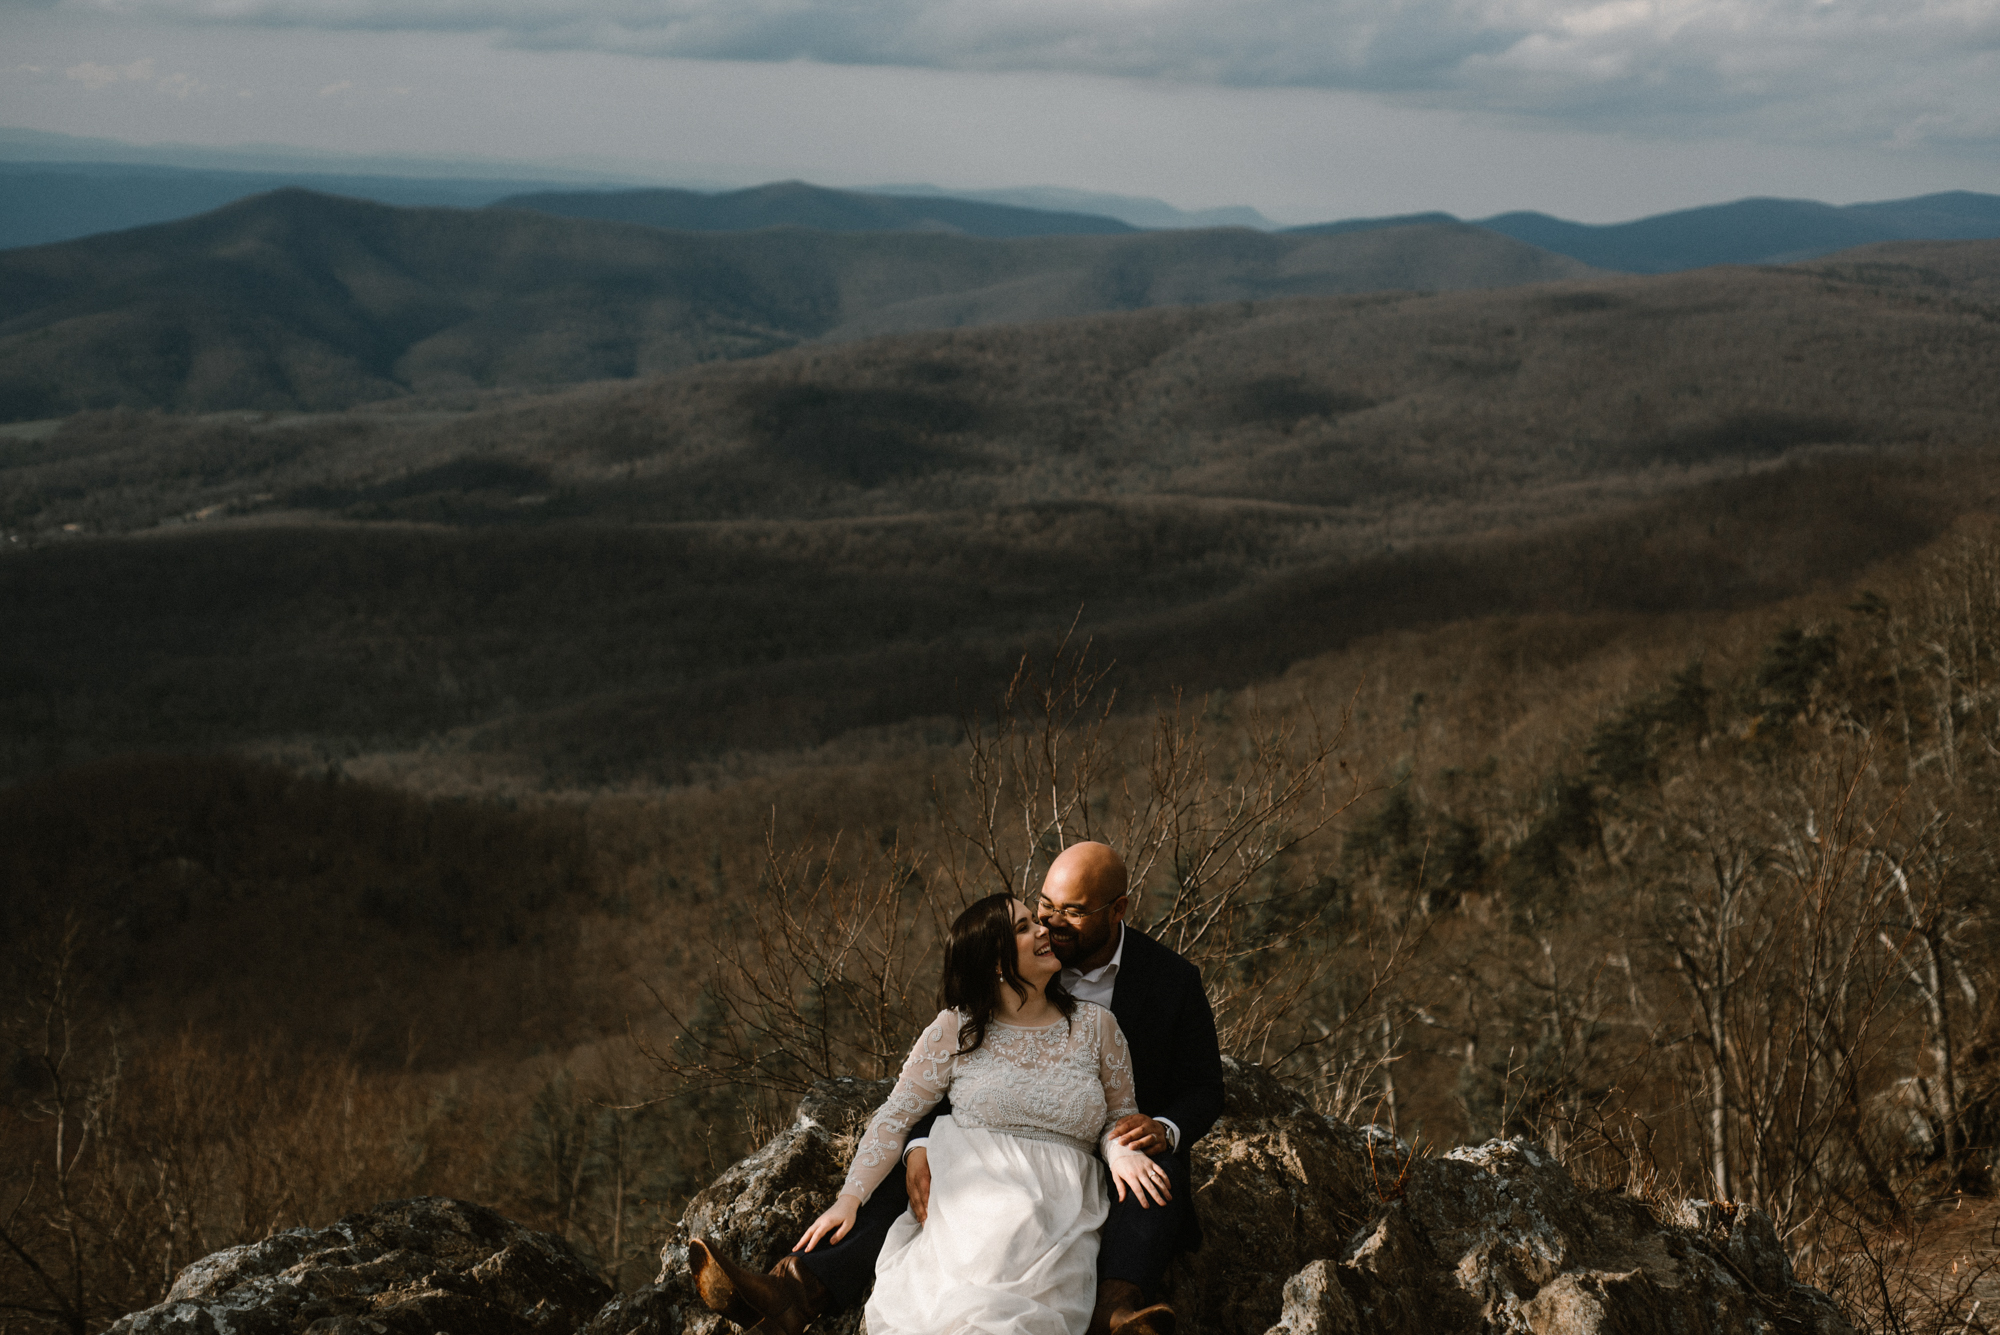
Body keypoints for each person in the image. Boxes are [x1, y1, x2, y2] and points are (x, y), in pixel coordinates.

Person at [689, 842, 1223, 1335]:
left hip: (1090, 1153)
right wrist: (906, 1156)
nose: (1049, 924)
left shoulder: (1168, 983)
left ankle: (1118, 1312)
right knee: (921, 1169)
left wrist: (1149, 1133)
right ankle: (791, 1291)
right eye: (1042, 907)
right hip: (980, 1154)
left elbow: (1200, 1087)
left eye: (1073, 912)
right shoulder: (967, 1023)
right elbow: (915, 1102)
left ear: (1118, 910)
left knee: (1156, 1167)